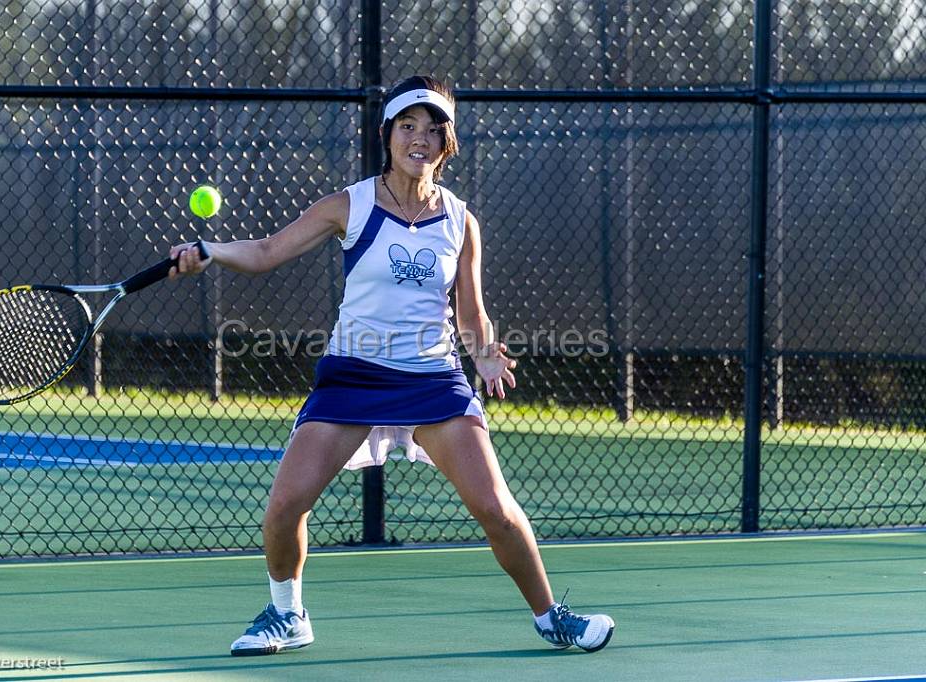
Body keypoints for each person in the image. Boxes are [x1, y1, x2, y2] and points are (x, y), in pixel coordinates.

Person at [170, 75, 615, 656]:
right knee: (285, 506)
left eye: (433, 130)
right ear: (389, 135)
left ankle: (552, 617)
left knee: (496, 511)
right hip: (352, 375)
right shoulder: (347, 206)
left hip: (433, 380)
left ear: (446, 143)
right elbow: (266, 253)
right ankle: (288, 615)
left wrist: (483, 356)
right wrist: (211, 252)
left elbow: (471, 312)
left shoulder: (460, 221)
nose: (420, 140)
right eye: (409, 126)